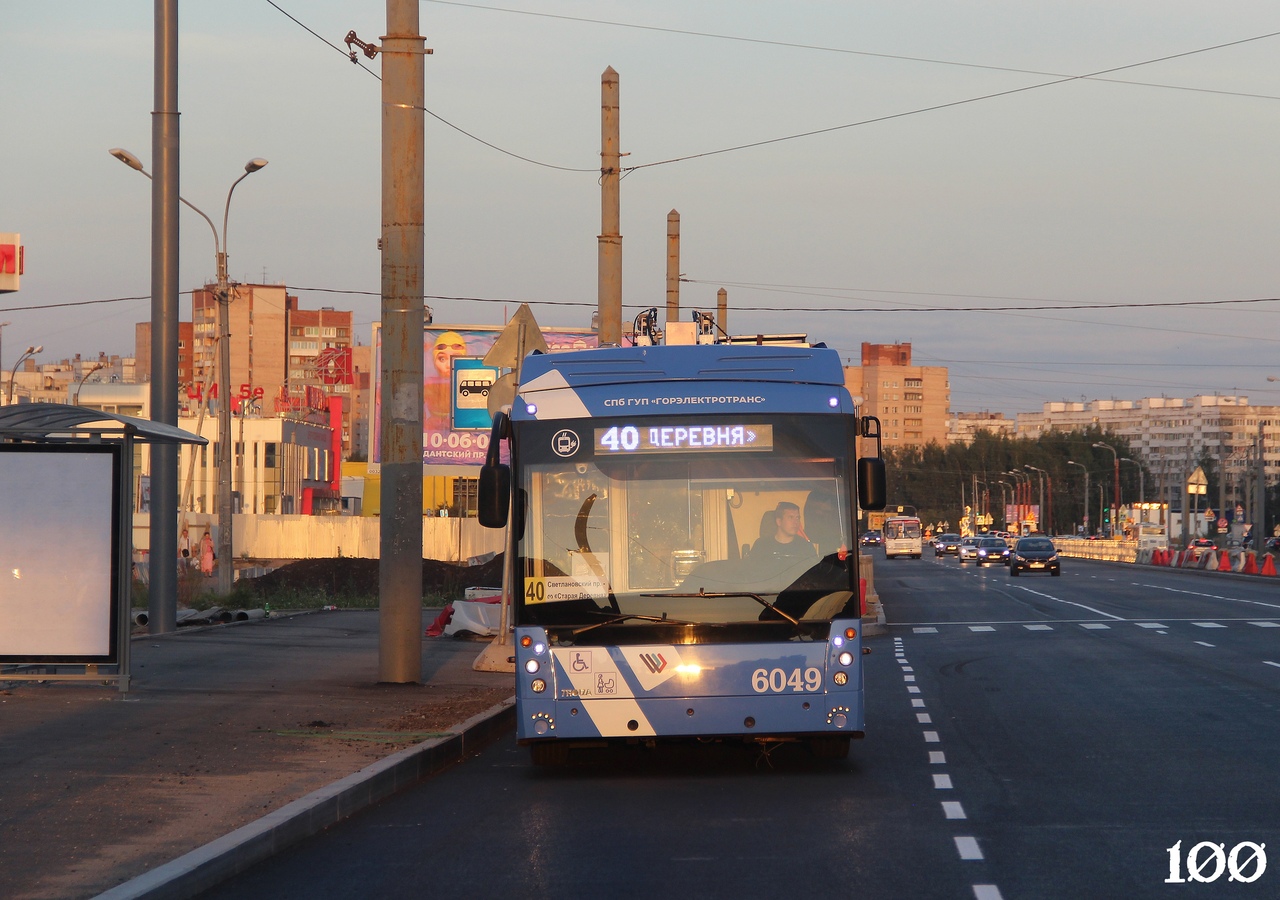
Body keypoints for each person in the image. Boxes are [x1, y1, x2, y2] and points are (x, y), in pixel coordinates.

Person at [752, 501, 816, 563]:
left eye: (797, 518)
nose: (796, 522)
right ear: (779, 521)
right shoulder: (761, 546)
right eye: (791, 517)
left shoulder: (806, 547)